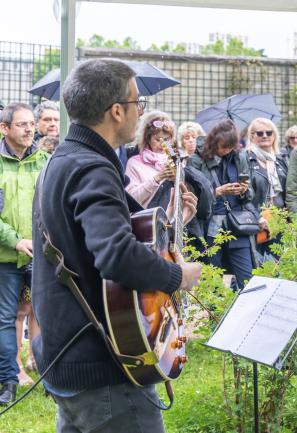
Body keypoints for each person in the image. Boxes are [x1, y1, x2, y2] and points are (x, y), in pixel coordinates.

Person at [32, 59, 201, 431]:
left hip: (67, 361)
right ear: (116, 111)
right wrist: (178, 275)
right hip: (104, 372)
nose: (141, 113)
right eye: (138, 104)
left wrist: (176, 224)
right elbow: (116, 256)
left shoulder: (60, 161)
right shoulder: (93, 167)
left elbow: (101, 238)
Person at [0, 102, 49, 404]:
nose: (30, 129)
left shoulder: (45, 162)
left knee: (47, 315)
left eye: (32, 123)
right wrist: (16, 240)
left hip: (42, 255)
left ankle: (50, 378)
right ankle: (8, 380)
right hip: (5, 257)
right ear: (4, 128)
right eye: (22, 124)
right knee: (5, 319)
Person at [189, 120, 258, 290]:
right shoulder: (196, 160)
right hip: (210, 227)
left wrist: (243, 190)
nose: (226, 150)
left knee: (247, 281)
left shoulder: (239, 157)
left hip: (237, 224)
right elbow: (192, 197)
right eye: (223, 147)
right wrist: (217, 191)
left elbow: (251, 195)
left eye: (230, 147)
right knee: (213, 284)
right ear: (213, 142)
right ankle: (216, 316)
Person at [245, 117, 286, 260]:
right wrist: (258, 218)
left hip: (278, 220)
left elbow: (287, 192)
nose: (265, 136)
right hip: (257, 221)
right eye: (259, 133)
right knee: (255, 267)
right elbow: (243, 195)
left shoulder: (280, 161)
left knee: (278, 266)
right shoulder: (246, 159)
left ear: (274, 136)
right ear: (252, 136)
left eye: (269, 133)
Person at [124, 111, 177, 207]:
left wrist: (177, 181)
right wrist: (157, 178)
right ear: (147, 138)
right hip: (148, 219)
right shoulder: (134, 163)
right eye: (158, 139)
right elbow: (131, 199)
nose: (163, 144)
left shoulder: (175, 161)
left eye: (166, 139)